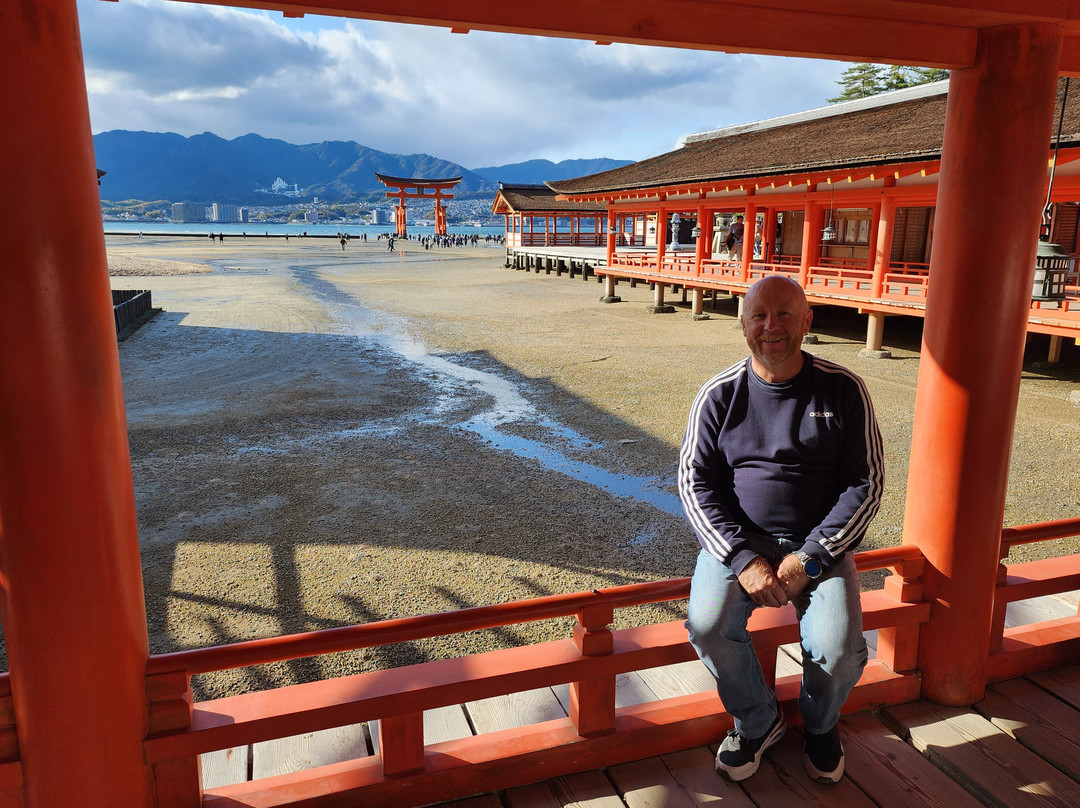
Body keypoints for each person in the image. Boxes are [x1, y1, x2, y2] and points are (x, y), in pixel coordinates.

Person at [678, 275, 883, 785]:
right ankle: (757, 719)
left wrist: (811, 556)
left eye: (786, 314)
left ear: (807, 321)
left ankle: (820, 724)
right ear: (743, 324)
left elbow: (866, 483)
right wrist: (742, 558)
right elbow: (693, 482)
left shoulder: (844, 388)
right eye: (760, 316)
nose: (772, 327)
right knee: (706, 625)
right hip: (740, 543)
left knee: (836, 650)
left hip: (820, 545)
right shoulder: (719, 394)